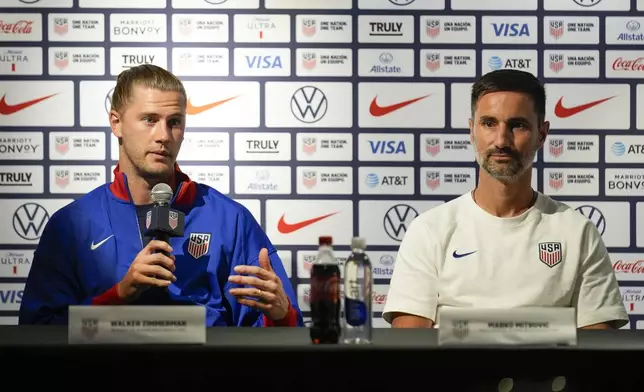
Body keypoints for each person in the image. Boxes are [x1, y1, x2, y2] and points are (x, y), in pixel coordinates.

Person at [19, 64, 303, 327]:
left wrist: (281, 314)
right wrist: (119, 296)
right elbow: (37, 334)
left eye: (174, 122)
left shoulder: (229, 220)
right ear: (116, 123)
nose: (164, 135)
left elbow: (278, 334)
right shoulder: (71, 225)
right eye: (149, 120)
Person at [382, 69, 628, 330]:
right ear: (471, 130)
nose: (501, 140)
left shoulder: (578, 232)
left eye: (517, 125)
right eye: (489, 123)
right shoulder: (429, 230)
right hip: (453, 373)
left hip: (548, 373)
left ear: (542, 134)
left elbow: (597, 353)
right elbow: (411, 349)